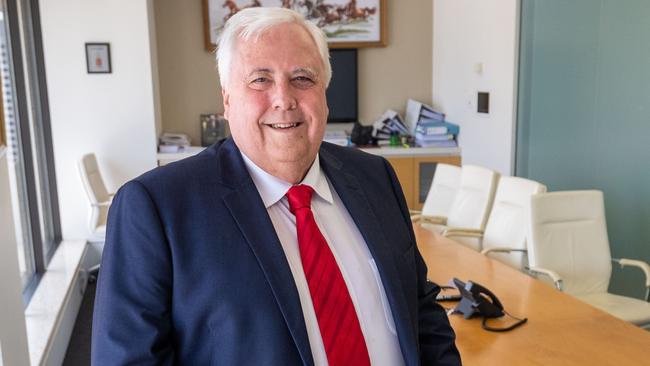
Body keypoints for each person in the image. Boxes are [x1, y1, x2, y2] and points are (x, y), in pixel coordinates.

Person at [92, 7, 460, 366]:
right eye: (260, 80)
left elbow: (421, 309)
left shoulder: (374, 177)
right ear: (227, 99)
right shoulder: (156, 207)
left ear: (325, 96)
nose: (284, 99)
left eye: (303, 78)